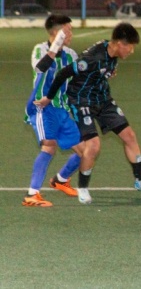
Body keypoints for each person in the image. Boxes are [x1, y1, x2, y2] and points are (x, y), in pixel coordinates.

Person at [34, 23, 141, 203]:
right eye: (130, 47)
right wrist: (49, 98)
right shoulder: (91, 59)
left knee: (129, 136)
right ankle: (82, 187)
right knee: (93, 146)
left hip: (103, 99)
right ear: (119, 44)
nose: (131, 51)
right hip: (81, 101)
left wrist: (108, 73)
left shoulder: (111, 51)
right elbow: (62, 74)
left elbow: (105, 69)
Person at [22, 15, 86, 207]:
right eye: (67, 30)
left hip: (62, 109)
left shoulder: (71, 55)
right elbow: (41, 68)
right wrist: (54, 48)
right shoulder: (39, 50)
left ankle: (60, 179)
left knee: (86, 151)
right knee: (49, 146)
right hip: (43, 107)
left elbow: (79, 77)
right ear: (55, 32)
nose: (71, 34)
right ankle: (32, 194)